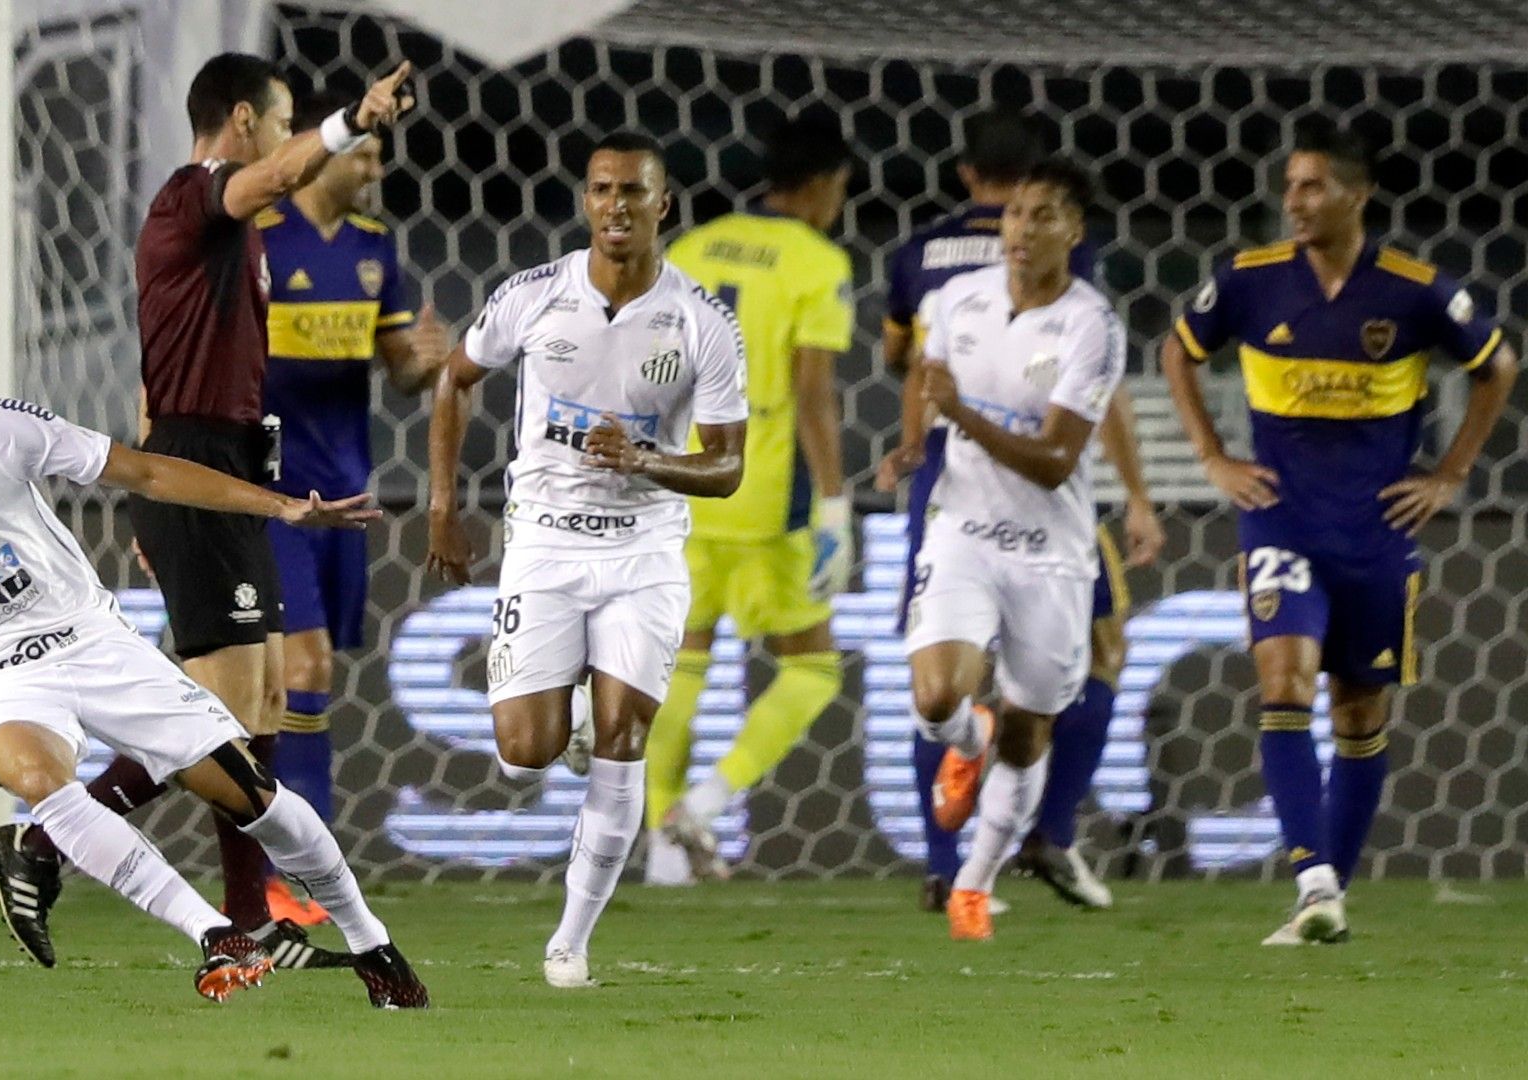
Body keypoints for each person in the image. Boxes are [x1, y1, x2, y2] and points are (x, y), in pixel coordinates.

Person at [0, 309, 426, 1006]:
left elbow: (147, 473)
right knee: (37, 777)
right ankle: (218, 935)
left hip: (92, 640)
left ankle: (374, 945)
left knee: (254, 800)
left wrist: (278, 509)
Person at [0, 55, 415, 968]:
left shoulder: (233, 240)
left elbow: (154, 361)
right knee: (215, 721)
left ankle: (246, 909)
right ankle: (41, 842)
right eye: (286, 118)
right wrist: (353, 120)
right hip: (193, 461)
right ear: (247, 118)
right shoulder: (194, 197)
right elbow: (280, 175)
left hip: (212, 469)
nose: (294, 139)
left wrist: (158, 499)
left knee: (259, 704)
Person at [1160, 118, 1516, 945]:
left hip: (1374, 528)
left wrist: (1452, 472)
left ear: (1359, 195)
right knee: (1282, 681)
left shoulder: (1414, 290)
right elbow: (1179, 353)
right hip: (1279, 517)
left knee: (1358, 711)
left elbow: (1497, 364)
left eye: (1312, 186)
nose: (1294, 201)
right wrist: (1212, 456)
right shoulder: (1250, 281)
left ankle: (1326, 900)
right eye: (1289, 186)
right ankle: (1311, 875)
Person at [424, 133, 749, 986]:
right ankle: (558, 711)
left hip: (645, 552)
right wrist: (442, 506)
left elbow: (726, 466)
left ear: (663, 204)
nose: (617, 205)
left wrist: (647, 461)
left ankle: (570, 940)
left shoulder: (702, 323)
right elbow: (454, 379)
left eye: (634, 192)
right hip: (543, 544)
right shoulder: (535, 296)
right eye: (603, 189)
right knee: (524, 750)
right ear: (585, 200)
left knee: (624, 737)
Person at [875, 111, 1162, 913]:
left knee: (1045, 699)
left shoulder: (923, 257)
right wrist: (917, 442)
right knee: (946, 688)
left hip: (1048, 527)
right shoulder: (966, 294)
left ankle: (976, 863)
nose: (1022, 229)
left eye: (1041, 216)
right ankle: (1038, 833)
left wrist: (933, 428)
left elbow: (913, 368)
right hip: (961, 512)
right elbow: (931, 376)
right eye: (1019, 212)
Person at [638, 110, 855, 885]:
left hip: (687, 480)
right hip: (764, 489)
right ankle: (704, 802)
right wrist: (833, 502)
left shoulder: (693, 248)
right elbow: (813, 388)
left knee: (681, 662)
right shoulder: (814, 260)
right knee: (814, 667)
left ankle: (662, 848)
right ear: (826, 185)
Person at [256, 96, 447, 922]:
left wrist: (430, 364)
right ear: (322, 155)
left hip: (347, 493)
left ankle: (291, 866)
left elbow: (401, 368)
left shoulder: (374, 251)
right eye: (365, 157)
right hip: (268, 489)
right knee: (304, 670)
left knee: (307, 686)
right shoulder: (258, 236)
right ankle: (298, 885)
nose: (375, 171)